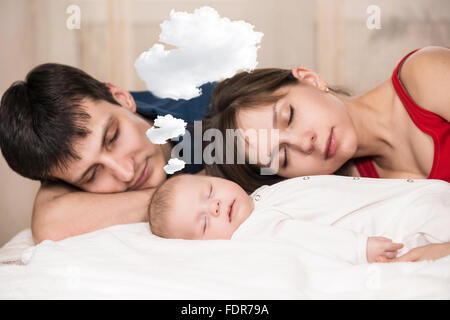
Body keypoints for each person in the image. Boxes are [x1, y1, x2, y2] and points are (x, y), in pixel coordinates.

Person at [0, 63, 215, 243]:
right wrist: (185, 194)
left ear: (121, 98)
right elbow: (50, 224)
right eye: (92, 174)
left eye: (113, 137)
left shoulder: (211, 108)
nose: (126, 173)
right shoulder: (66, 169)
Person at [203, 46, 450, 193]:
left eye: (289, 117)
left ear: (310, 79)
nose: (305, 142)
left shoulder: (423, 75)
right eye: (284, 157)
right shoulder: (358, 194)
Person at [148, 173, 450, 264]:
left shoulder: (259, 197)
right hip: (397, 226)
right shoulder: (251, 232)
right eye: (203, 223)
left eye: (209, 191)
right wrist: (360, 249)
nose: (214, 206)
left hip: (407, 197)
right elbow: (304, 238)